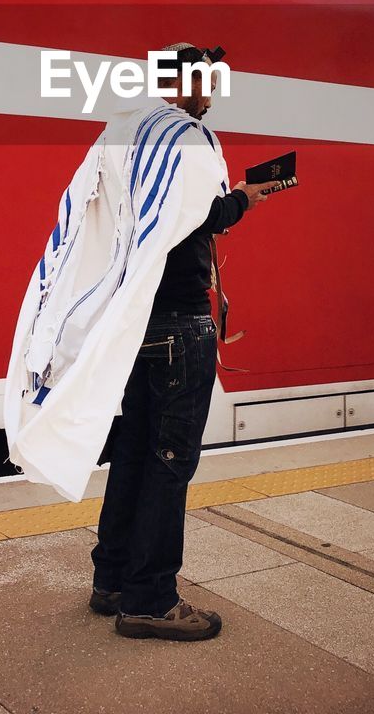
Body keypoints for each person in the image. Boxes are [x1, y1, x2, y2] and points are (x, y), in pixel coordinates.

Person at [89, 43, 269, 642]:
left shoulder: (134, 137)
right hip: (180, 322)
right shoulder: (185, 139)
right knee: (171, 460)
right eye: (205, 82)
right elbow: (205, 216)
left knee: (135, 451)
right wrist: (246, 197)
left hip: (140, 318)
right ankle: (150, 598)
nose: (210, 94)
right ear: (183, 82)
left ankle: (112, 579)